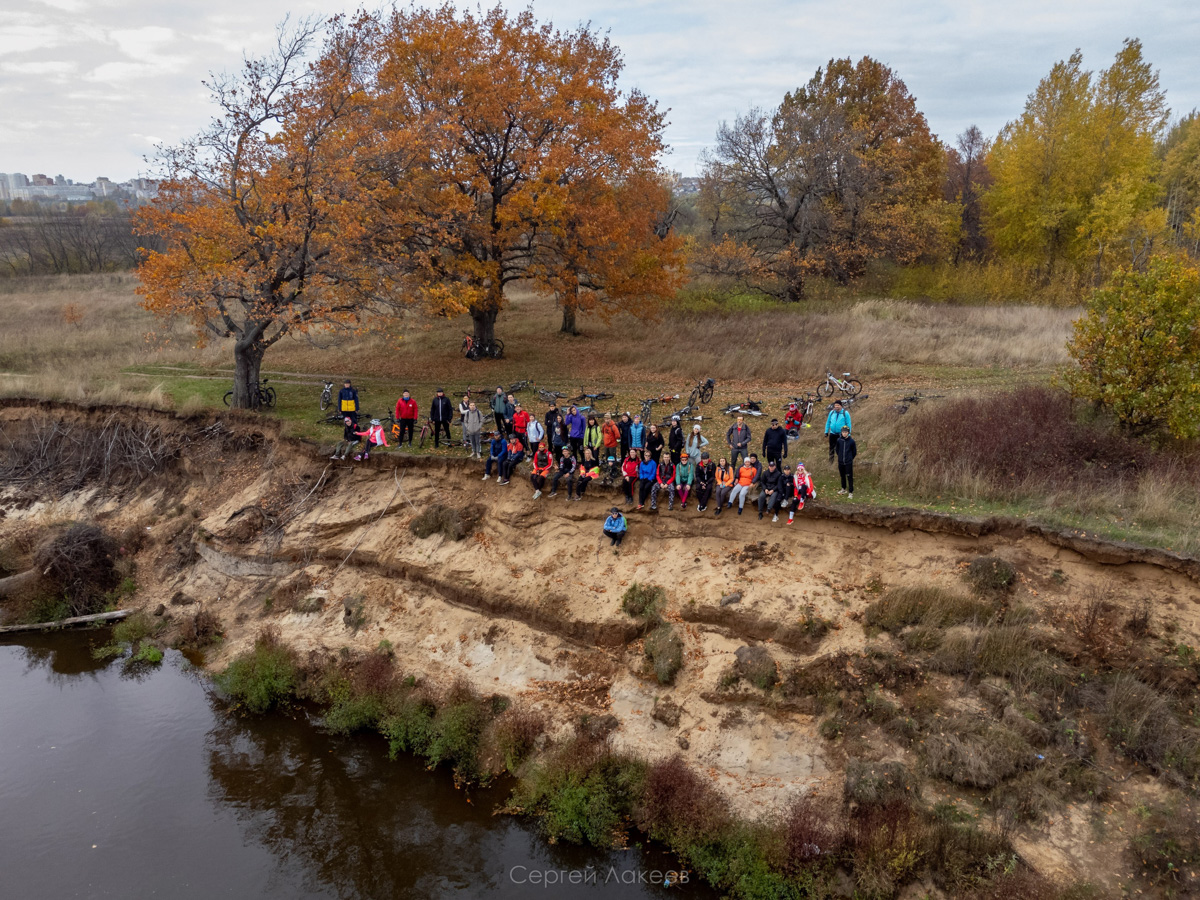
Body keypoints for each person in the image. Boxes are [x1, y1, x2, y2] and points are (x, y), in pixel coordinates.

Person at [835, 425, 857, 499]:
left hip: (848, 462)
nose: (844, 433)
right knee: (842, 476)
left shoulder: (851, 441)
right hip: (841, 462)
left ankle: (850, 492)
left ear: (848, 432)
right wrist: (840, 457)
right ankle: (843, 489)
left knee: (849, 477)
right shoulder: (839, 440)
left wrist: (850, 458)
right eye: (843, 432)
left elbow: (854, 452)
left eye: (846, 432)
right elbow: (837, 450)